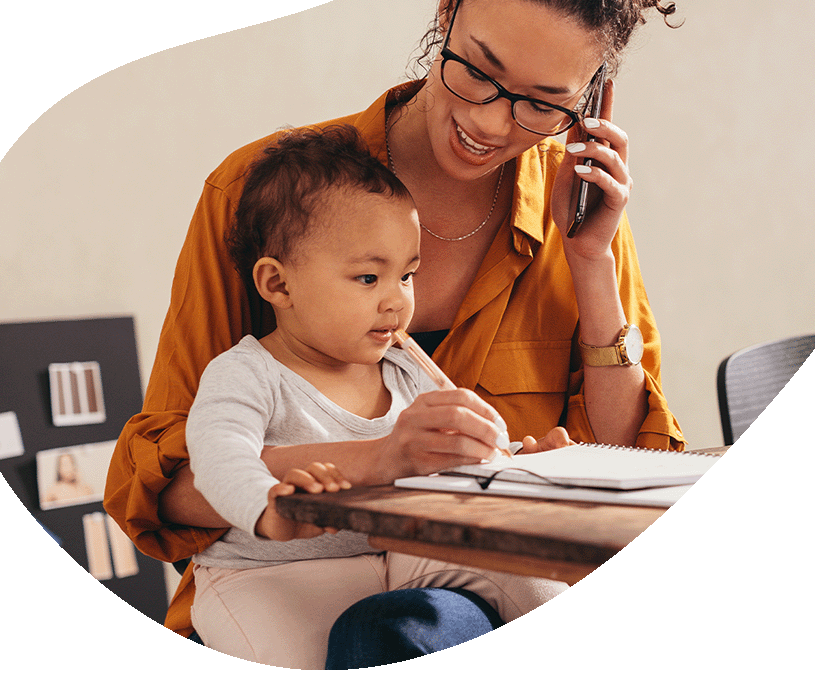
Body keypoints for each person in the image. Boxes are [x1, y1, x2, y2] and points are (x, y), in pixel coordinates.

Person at [104, 0, 686, 664]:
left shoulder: (578, 216)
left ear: (590, 99)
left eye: (542, 104)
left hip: (485, 604)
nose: (491, 123)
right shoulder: (260, 192)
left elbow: (629, 474)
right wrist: (375, 462)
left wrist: (591, 264)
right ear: (450, 1)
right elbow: (165, 487)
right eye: (478, 71)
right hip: (287, 602)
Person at [184, 125, 567, 669]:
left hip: (394, 550)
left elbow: (461, 461)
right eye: (368, 278)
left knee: (524, 565)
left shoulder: (406, 368)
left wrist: (519, 465)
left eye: (407, 275)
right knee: (297, 661)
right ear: (278, 285)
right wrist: (271, 511)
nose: (397, 301)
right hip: (271, 570)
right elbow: (217, 459)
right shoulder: (246, 374)